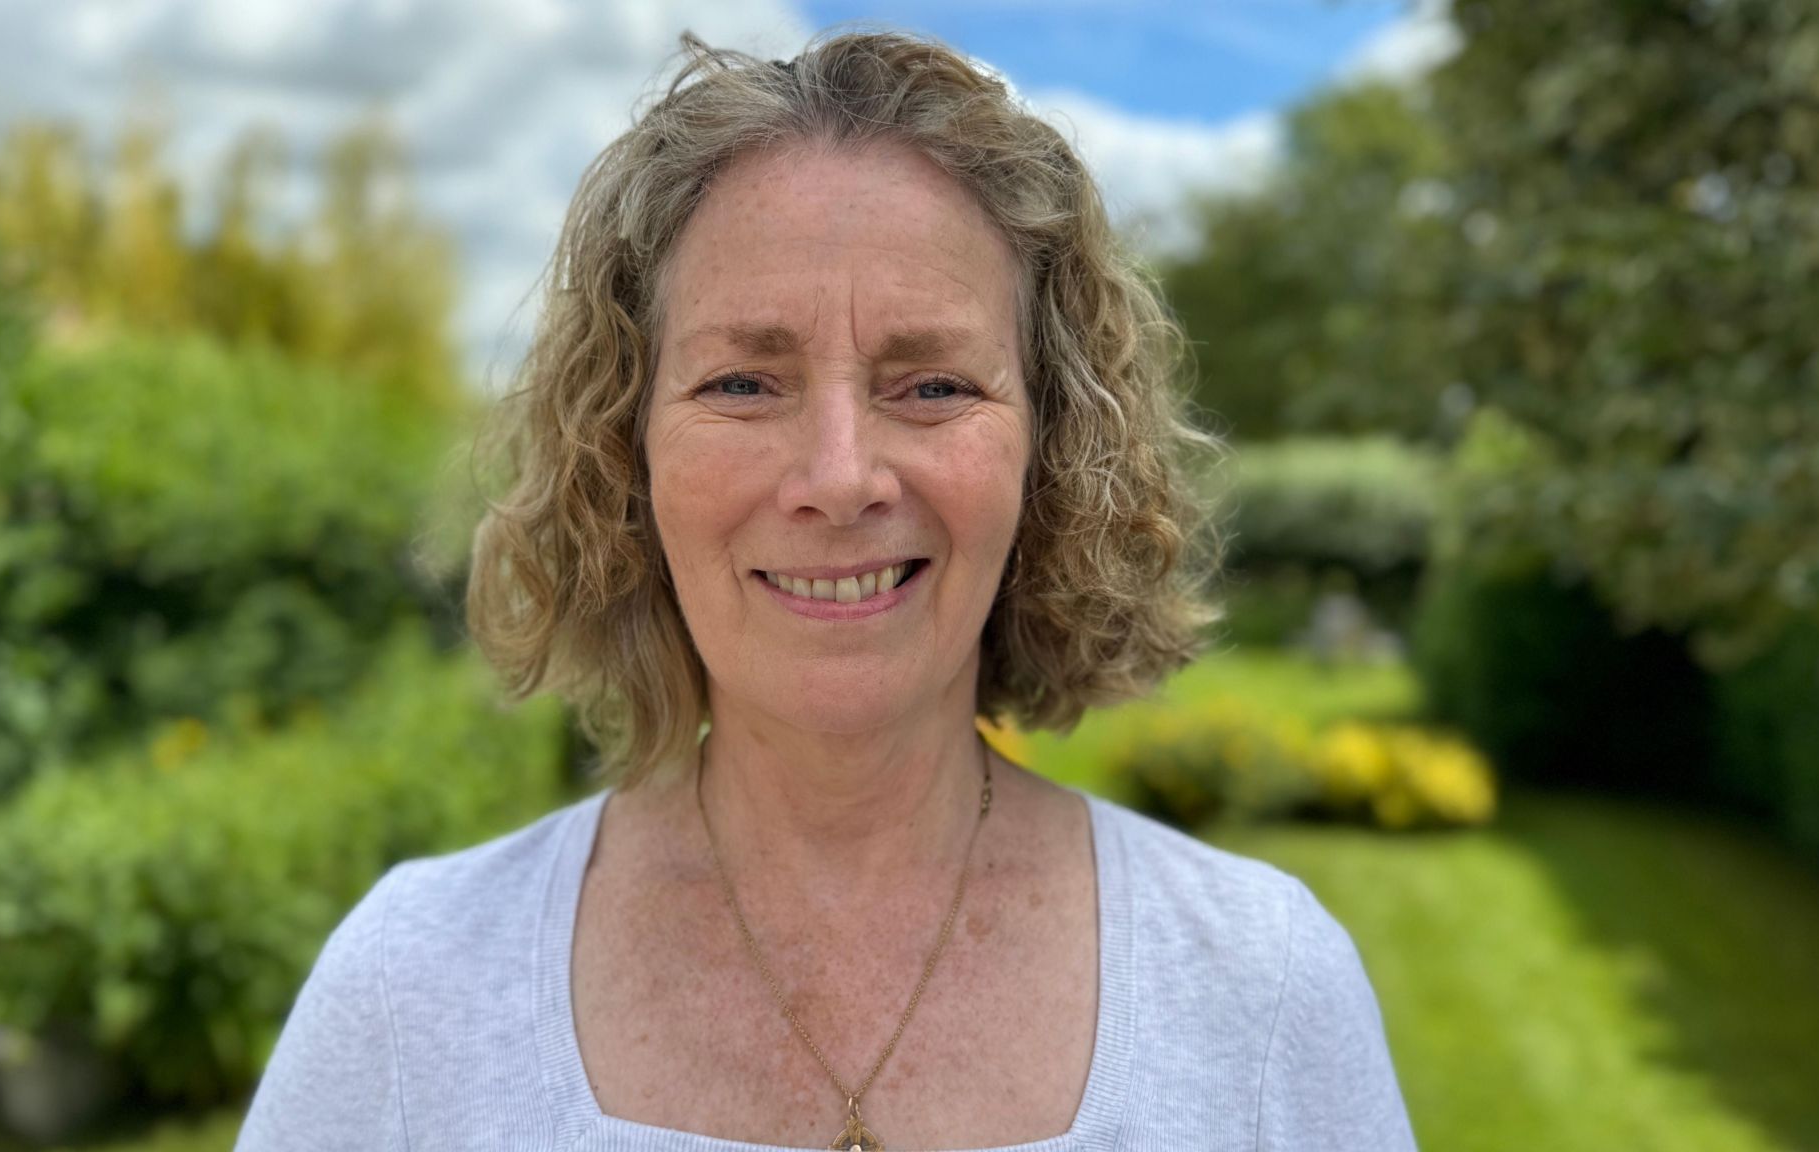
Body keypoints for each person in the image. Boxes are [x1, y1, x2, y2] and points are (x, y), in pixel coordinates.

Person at [236, 28, 1417, 1152]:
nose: (839, 478)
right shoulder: (410, 989)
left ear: (1049, 452)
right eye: (745, 384)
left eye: (933, 385)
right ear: (624, 451)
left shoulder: (1262, 994)